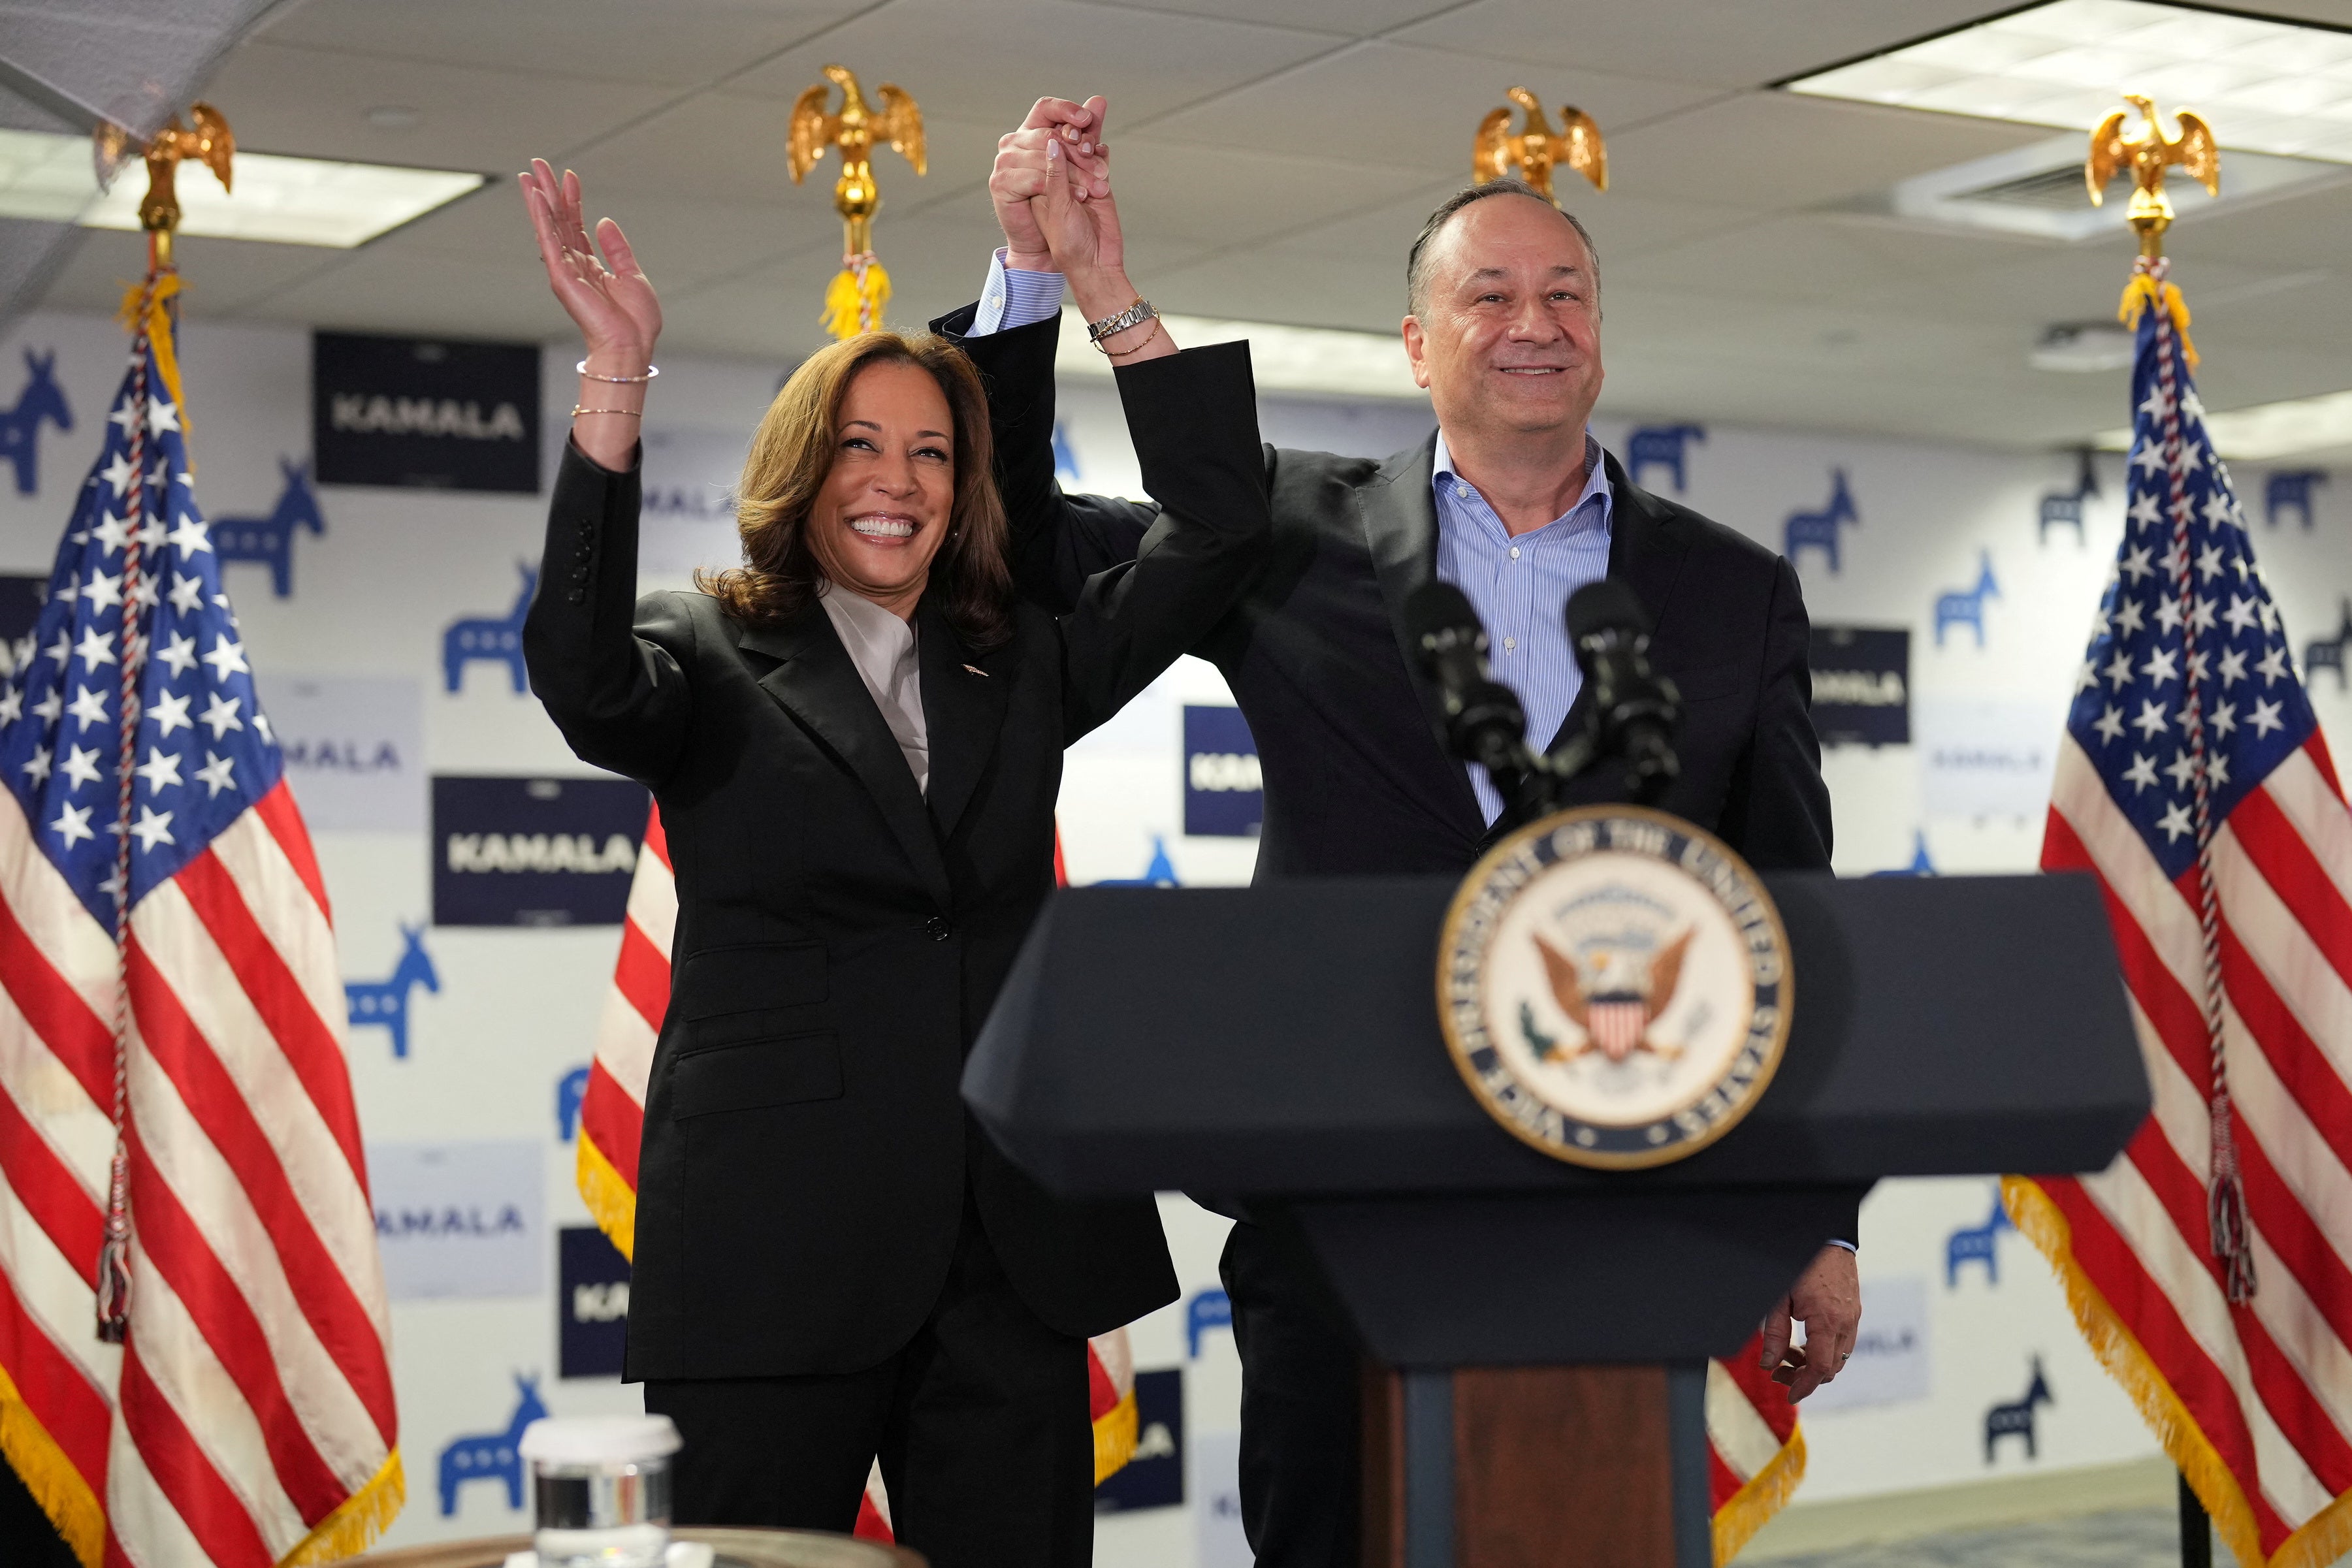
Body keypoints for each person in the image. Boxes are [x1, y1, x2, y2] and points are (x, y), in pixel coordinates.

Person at [942, 98, 1863, 1568]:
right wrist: (1044, 283)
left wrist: (1819, 1214)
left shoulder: (1729, 589)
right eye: (1487, 294)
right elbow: (1024, 540)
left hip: (1620, 1201)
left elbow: (1793, 903)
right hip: (1335, 1205)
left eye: (1565, 292)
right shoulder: (1281, 529)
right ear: (1415, 344)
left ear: (1602, 334)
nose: (1534, 322)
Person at [515, 147, 1267, 1568]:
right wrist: (617, 378)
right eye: (861, 445)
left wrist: (1104, 295)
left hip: (1011, 1261)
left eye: (932, 451)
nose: (898, 481)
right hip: (773, 1256)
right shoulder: (706, 647)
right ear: (802, 468)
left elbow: (1220, 528)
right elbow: (580, 678)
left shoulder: (1024, 656)